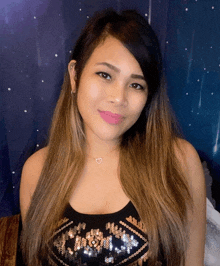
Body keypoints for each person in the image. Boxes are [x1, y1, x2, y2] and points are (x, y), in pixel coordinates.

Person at [19, 8, 206, 266]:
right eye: (105, 75)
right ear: (75, 76)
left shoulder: (177, 161)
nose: (119, 98)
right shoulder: (38, 171)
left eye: (136, 84)